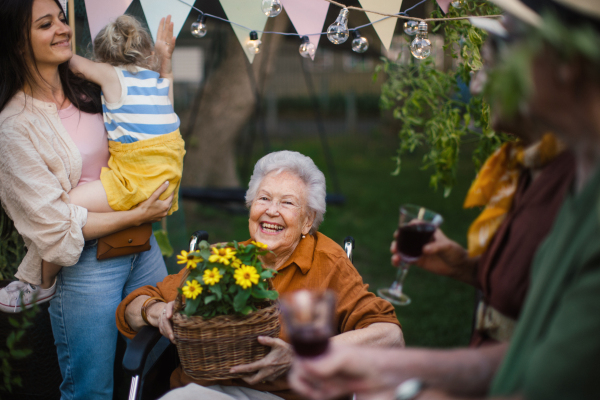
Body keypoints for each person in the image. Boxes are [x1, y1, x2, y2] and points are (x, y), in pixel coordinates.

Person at [288, 1, 600, 399]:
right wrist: (385, 366)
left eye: (503, 53)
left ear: (566, 61)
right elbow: (528, 354)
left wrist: (411, 392)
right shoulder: (576, 185)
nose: (481, 85)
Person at [116, 151, 404, 400]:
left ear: (308, 221)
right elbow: (132, 306)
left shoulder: (327, 265)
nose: (271, 211)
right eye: (263, 198)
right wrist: (157, 313)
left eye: (288, 203)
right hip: (206, 389)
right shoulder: (224, 260)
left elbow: (391, 336)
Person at [0, 0, 172, 398]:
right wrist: (139, 211)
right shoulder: (14, 128)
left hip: (140, 247)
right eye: (46, 24)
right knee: (91, 388)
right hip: (86, 264)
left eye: (62, 18)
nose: (62, 28)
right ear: (16, 42)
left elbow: (149, 120)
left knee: (162, 360)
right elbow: (54, 226)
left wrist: (164, 63)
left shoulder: (88, 85)